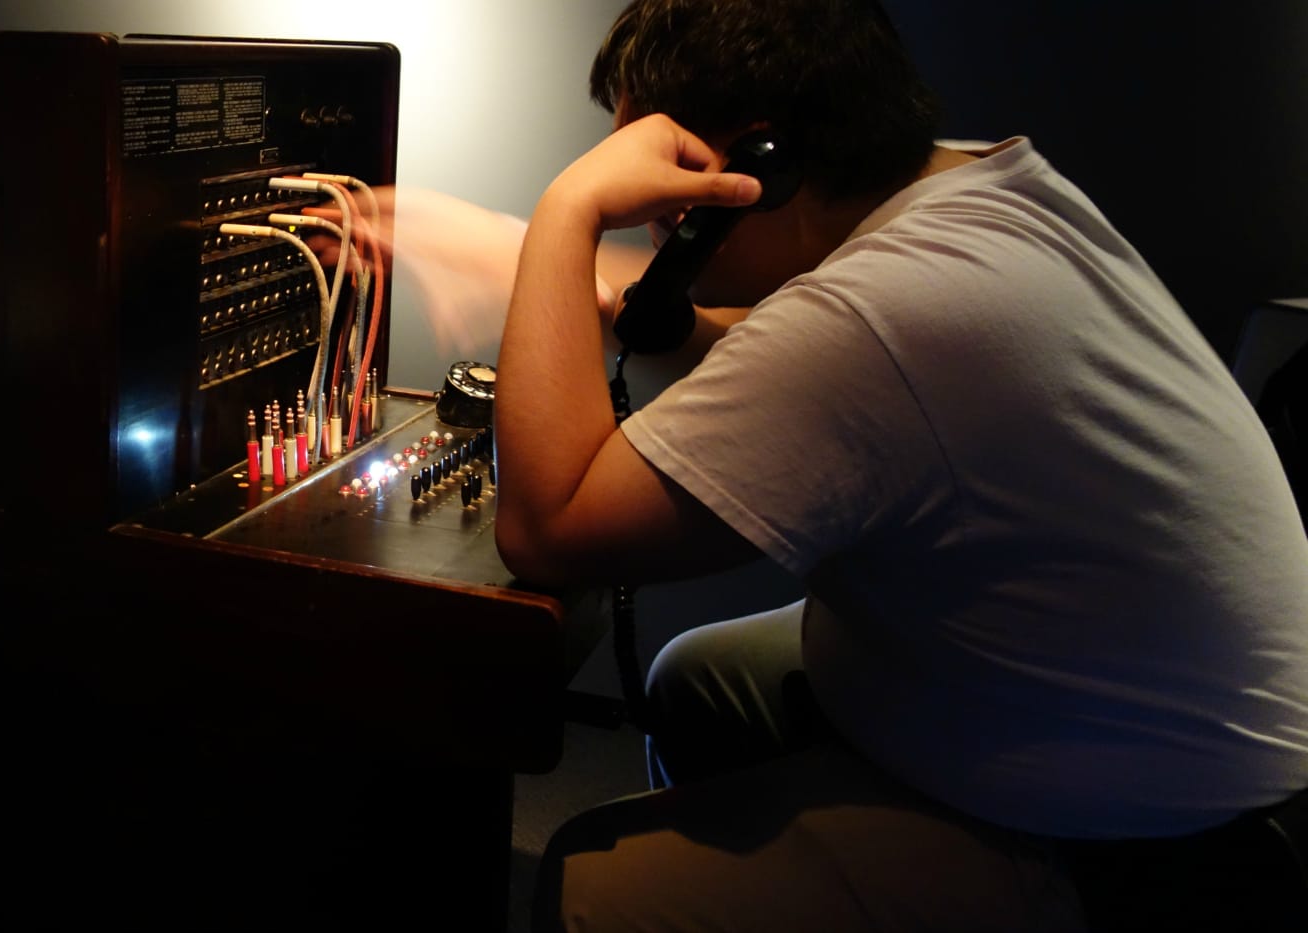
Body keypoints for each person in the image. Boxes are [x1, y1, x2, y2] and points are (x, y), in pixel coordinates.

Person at [320, 1, 1308, 928]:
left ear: (761, 166)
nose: (664, 232)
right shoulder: (976, 192)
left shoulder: (891, 313)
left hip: (1142, 834)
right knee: (699, 676)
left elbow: (549, 527)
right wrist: (556, 274)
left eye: (669, 208)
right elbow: (786, 349)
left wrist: (565, 215)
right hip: (1173, 722)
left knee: (590, 882)